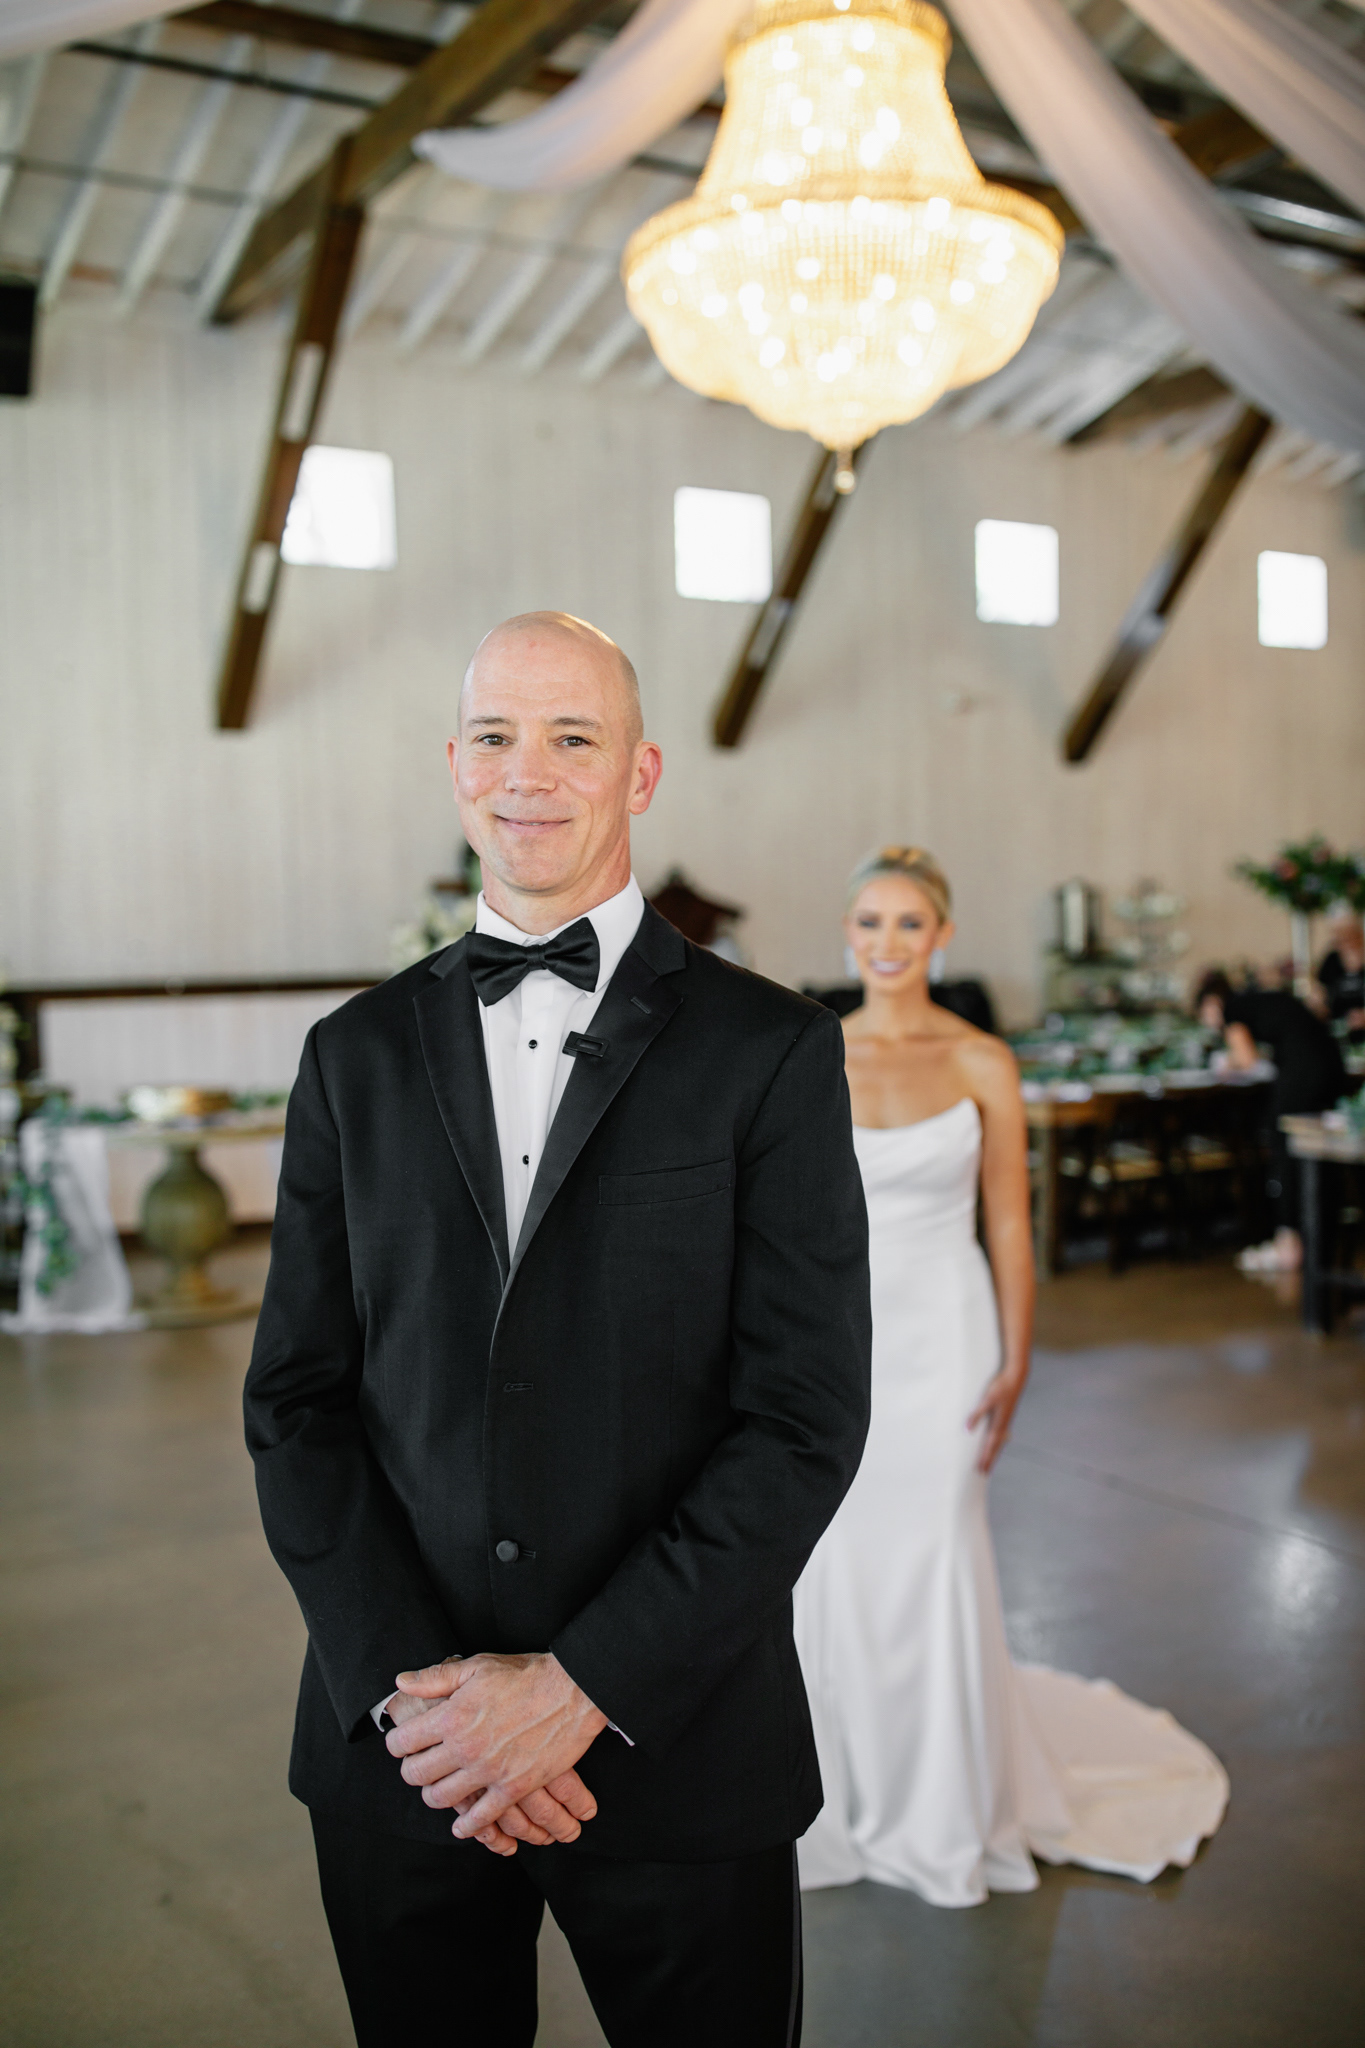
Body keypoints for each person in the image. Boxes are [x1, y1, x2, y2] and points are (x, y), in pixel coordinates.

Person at [243, 612, 872, 2047]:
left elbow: (803, 1416)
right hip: (405, 1751)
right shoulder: (350, 1058)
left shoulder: (772, 1050)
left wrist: (585, 1685)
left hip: (676, 1741)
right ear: (453, 764)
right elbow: (295, 1401)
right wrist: (423, 1702)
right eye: (494, 736)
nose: (527, 772)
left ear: (639, 773)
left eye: (572, 737)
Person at [794, 846, 1228, 1908]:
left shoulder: (982, 1058)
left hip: (947, 1332)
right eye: (869, 922)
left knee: (938, 1544)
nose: (887, 942)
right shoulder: (808, 1052)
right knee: (833, 1555)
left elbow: (1008, 1222)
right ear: (846, 933)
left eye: (909, 923)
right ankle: (836, 1793)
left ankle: (948, 1803)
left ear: (941, 936)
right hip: (838, 1336)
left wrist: (1017, 1354)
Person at [1196, 967, 1349, 1272]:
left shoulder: (1234, 1009)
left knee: (1285, 1146)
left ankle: (1289, 1243)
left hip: (1304, 1072)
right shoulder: (1259, 999)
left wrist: (1225, 1062)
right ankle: (1320, 1236)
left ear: (1211, 1004)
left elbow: (1246, 1059)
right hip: (1331, 1064)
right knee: (1318, 1152)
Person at [1316, 907, 1365, 1044]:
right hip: (1338, 1030)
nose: (1343, 941)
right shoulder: (1331, 960)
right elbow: (1320, 991)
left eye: (1347, 935)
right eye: (1338, 935)